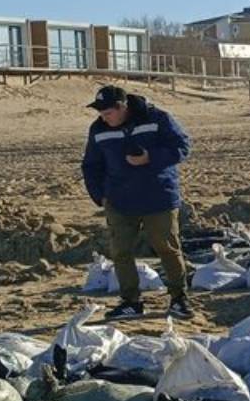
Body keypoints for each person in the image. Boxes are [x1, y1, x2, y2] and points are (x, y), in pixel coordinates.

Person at [82, 85, 194, 320]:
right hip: (119, 201)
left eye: (108, 112)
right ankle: (131, 301)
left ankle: (179, 298)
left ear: (122, 107)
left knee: (167, 248)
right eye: (100, 112)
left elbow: (182, 146)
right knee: (121, 251)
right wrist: (100, 195)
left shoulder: (157, 118)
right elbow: (91, 165)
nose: (103, 117)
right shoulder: (98, 129)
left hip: (159, 197)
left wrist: (149, 158)